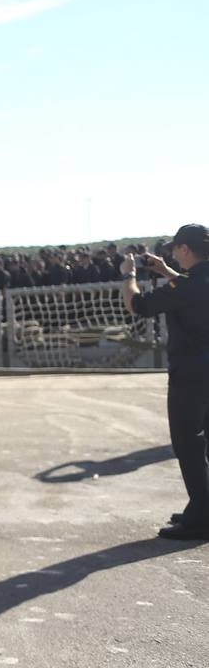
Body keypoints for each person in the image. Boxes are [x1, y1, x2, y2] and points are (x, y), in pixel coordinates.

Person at [122, 224, 209, 540]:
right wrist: (164, 269)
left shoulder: (185, 287)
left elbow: (138, 305)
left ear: (186, 249)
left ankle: (201, 517)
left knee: (188, 443)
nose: (172, 253)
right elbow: (191, 289)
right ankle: (203, 507)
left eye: (175, 249)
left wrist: (128, 275)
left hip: (190, 375)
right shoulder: (191, 283)